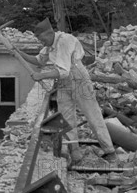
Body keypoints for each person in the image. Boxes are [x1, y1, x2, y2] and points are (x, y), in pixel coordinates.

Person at [16, 18, 117, 165]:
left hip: (78, 78)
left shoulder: (64, 41)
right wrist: (18, 53)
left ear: (49, 33)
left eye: (41, 38)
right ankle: (74, 152)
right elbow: (38, 60)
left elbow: (63, 71)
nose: (40, 42)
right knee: (66, 117)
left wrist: (42, 75)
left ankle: (110, 151)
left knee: (92, 114)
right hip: (63, 82)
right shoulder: (50, 46)